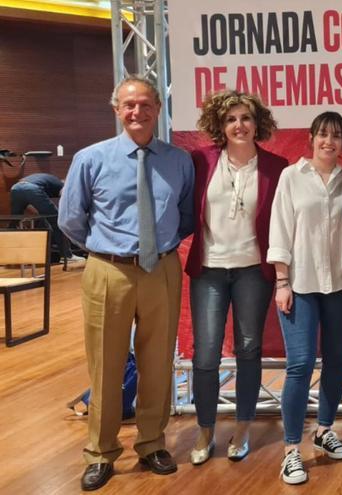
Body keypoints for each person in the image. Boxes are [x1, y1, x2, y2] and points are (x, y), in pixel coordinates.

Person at [58, 76, 194, 491]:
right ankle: (100, 452)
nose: (138, 112)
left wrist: (158, 250)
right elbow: (70, 218)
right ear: (116, 109)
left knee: (156, 364)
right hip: (108, 270)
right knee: (106, 364)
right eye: (129, 105)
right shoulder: (90, 159)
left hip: (162, 269)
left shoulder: (178, 160)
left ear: (157, 108)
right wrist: (108, 250)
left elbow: (185, 214)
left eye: (146, 104)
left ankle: (152, 444)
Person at [184, 90, 286, 466]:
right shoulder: (200, 161)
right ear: (219, 126)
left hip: (253, 271)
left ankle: (243, 426)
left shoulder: (276, 166)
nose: (239, 125)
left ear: (257, 123)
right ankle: (206, 427)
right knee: (206, 352)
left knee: (248, 349)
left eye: (245, 118)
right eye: (230, 119)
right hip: (209, 269)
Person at [269, 112, 342, 485]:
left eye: (337, 136)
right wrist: (282, 281)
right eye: (323, 134)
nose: (329, 142)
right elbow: (280, 227)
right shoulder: (292, 176)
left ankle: (324, 429)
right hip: (300, 284)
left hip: (341, 283)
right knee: (300, 365)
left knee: (336, 361)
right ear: (311, 138)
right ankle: (291, 450)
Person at [10, 173, 78, 260]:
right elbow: (65, 201)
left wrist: (41, 214)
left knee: (14, 222)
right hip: (32, 189)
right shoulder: (62, 184)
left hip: (15, 187)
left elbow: (27, 200)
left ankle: (6, 254)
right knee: (57, 222)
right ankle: (67, 256)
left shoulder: (46, 180)